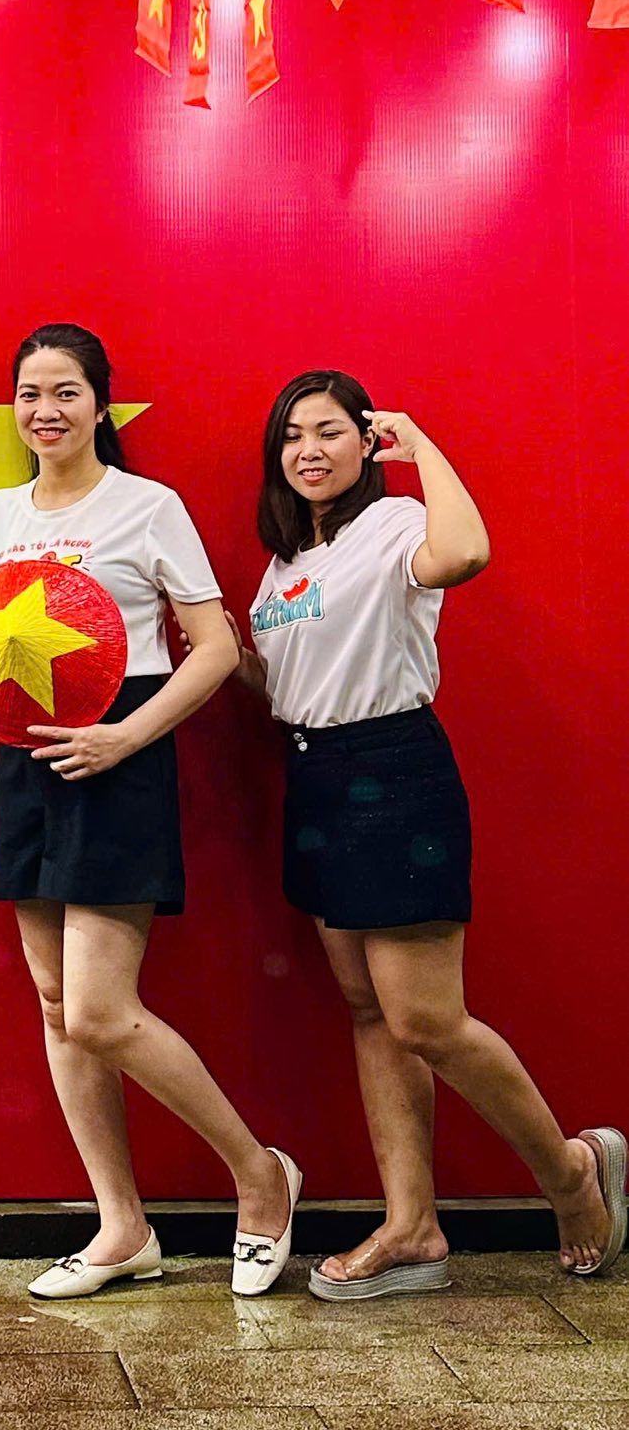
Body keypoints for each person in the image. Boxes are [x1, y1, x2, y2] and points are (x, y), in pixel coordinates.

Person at [232, 369, 625, 1297]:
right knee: (369, 1011)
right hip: (315, 779)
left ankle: (571, 1174)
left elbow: (467, 553)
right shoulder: (286, 564)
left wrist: (422, 445)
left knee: (425, 1018)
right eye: (292, 436)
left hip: (394, 774)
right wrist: (219, 655)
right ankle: (412, 1226)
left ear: (366, 442)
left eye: (330, 431)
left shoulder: (394, 523)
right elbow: (290, 688)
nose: (308, 451)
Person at [0, 324, 299, 1301]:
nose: (46, 410)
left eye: (65, 391)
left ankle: (259, 1174)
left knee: (102, 1008)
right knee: (56, 1005)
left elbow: (213, 647)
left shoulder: (147, 505)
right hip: (27, 755)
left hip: (121, 752)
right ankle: (123, 1226)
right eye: (29, 393)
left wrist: (124, 737)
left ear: (100, 405)